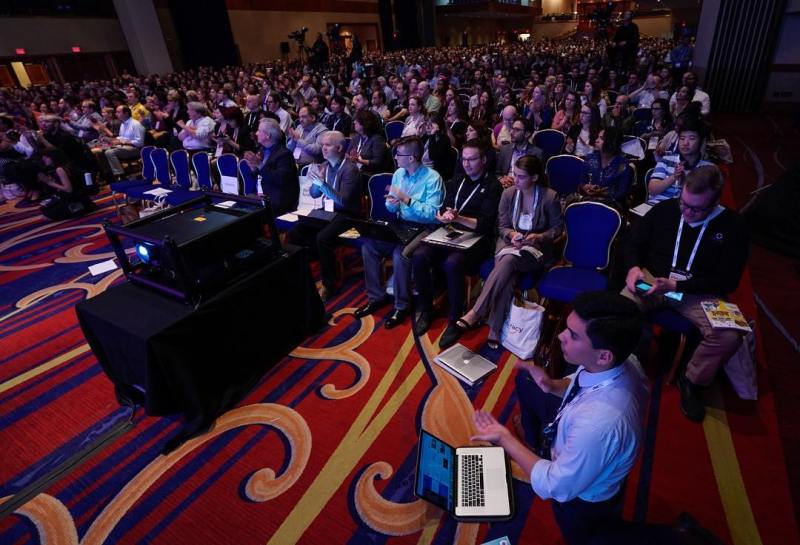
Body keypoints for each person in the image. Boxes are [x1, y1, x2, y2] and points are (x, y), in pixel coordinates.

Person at [471, 291, 649, 545]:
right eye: (568, 328)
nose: (561, 336)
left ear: (603, 355)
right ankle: (536, 440)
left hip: (583, 500)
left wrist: (504, 438)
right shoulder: (624, 361)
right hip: (581, 443)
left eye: (574, 335)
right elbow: (583, 383)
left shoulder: (598, 425)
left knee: (578, 535)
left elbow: (555, 486)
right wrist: (552, 385)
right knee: (527, 380)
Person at [624, 165, 748, 422]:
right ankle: (622, 366)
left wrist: (678, 287)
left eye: (696, 209)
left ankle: (691, 380)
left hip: (696, 291)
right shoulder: (666, 209)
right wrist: (634, 268)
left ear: (715, 203)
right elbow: (634, 242)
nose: (687, 212)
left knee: (729, 336)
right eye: (684, 204)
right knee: (620, 309)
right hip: (653, 280)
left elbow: (728, 280)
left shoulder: (734, 227)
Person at [440, 155, 562, 350]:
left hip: (535, 250)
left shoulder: (549, 197)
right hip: (509, 244)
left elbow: (557, 229)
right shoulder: (508, 194)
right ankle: (494, 330)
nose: (515, 180)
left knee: (507, 263)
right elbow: (502, 226)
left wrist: (539, 236)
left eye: (521, 177)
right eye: (515, 174)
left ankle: (476, 313)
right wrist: (512, 234)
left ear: (535, 177)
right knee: (508, 268)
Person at [411, 139, 502, 335]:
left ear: (484, 160)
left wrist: (459, 217)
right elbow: (446, 206)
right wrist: (444, 215)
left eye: (472, 159)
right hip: (451, 232)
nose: (466, 164)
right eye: (464, 159)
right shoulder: (457, 180)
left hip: (479, 239)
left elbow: (486, 224)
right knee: (419, 256)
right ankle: (427, 308)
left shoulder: (493, 185)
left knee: (453, 263)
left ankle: (455, 317)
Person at [354, 136, 443, 329]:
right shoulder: (399, 174)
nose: (395, 157)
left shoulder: (432, 178)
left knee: (400, 254)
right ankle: (376, 297)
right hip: (401, 224)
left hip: (425, 228)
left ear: (412, 157)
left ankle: (402, 305)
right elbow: (391, 205)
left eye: (399, 154)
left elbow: (433, 215)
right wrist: (392, 203)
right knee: (369, 246)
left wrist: (407, 199)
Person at [289, 131, 361, 301]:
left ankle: (329, 284)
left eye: (328, 145)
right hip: (328, 212)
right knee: (296, 231)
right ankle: (302, 272)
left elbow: (343, 201)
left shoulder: (350, 169)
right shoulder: (325, 166)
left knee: (322, 237)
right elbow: (314, 195)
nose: (324, 148)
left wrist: (322, 184)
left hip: (348, 216)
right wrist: (316, 182)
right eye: (322, 145)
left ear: (339, 147)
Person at [647, 116, 713, 202]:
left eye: (692, 138)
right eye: (682, 138)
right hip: (655, 206)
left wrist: (685, 182)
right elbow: (652, 190)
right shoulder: (666, 160)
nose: (685, 143)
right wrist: (673, 177)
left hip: (685, 212)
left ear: (701, 141)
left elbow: (704, 201)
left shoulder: (708, 168)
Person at [243, 119, 298, 216]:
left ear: (268, 135)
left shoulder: (284, 154)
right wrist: (254, 169)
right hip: (263, 195)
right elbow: (262, 175)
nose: (256, 133)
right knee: (239, 205)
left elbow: (280, 179)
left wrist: (260, 165)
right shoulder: (262, 150)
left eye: (259, 130)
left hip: (277, 200)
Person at [37, 148, 96, 220]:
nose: (43, 159)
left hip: (73, 199)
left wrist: (50, 183)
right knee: (45, 208)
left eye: (46, 157)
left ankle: (80, 208)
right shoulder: (64, 166)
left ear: (53, 157)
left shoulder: (59, 169)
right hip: (77, 196)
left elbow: (68, 189)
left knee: (46, 215)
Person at [579, 127, 633, 204]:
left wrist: (603, 193)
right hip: (590, 200)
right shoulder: (590, 158)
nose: (596, 140)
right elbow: (582, 181)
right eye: (597, 137)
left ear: (611, 142)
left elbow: (621, 193)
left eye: (601, 138)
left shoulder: (622, 165)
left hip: (611, 205)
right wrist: (586, 187)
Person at [101, 105, 146, 181]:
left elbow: (140, 143)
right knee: (102, 151)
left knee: (110, 152)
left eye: (118, 112)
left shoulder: (136, 124)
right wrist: (111, 140)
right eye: (116, 112)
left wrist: (125, 142)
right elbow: (121, 138)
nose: (116, 114)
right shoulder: (123, 124)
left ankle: (120, 176)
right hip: (124, 147)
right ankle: (109, 175)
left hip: (135, 149)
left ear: (126, 113)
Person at [496, 117, 543, 187]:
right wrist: (502, 179)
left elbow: (538, 179)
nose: (511, 132)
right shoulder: (505, 149)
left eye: (517, 130)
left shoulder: (537, 153)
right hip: (504, 187)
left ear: (527, 134)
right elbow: (497, 173)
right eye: (512, 128)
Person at [348, 109, 391, 176]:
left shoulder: (377, 139)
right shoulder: (356, 137)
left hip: (368, 174)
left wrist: (360, 161)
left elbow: (378, 162)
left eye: (357, 120)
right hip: (355, 170)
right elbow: (348, 153)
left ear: (365, 123)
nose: (354, 122)